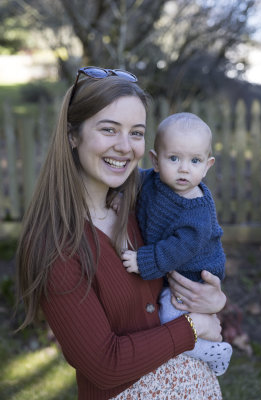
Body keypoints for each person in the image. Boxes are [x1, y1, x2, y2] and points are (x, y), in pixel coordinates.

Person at [16, 66, 226, 400]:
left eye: (136, 133)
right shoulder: (55, 246)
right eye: (109, 130)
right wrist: (193, 327)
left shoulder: (143, 206)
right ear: (73, 135)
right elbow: (104, 364)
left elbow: (189, 267)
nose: (125, 147)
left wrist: (213, 300)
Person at [122, 112, 232, 376]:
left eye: (195, 160)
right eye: (174, 158)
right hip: (174, 271)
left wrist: (143, 261)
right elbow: (131, 179)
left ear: (207, 165)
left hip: (193, 276)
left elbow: (177, 250)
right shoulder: (151, 180)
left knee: (170, 321)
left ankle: (215, 351)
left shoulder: (198, 212)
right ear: (156, 160)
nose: (184, 168)